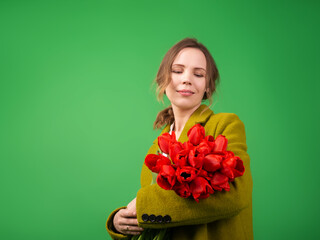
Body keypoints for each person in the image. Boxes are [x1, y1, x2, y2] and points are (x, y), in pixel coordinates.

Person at [105, 37, 253, 240]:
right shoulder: (155, 148)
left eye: (198, 74)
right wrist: (121, 222)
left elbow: (236, 193)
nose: (187, 79)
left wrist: (143, 205)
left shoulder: (225, 125)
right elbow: (161, 215)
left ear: (207, 86)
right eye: (177, 71)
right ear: (163, 79)